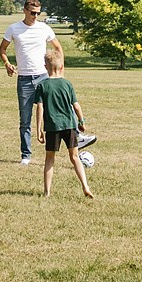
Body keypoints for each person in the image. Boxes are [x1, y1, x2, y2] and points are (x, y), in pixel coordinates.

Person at [0, 0, 58, 165]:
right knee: (25, 120)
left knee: (54, 113)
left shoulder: (44, 28)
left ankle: (71, 140)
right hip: (24, 79)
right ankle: (26, 156)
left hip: (43, 77)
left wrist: (58, 71)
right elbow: (2, 49)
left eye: (38, 13)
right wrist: (7, 64)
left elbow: (58, 48)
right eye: (32, 13)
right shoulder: (14, 29)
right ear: (24, 10)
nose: (35, 16)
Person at [33, 41, 93, 200]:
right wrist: (82, 121)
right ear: (61, 67)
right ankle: (85, 186)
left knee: (49, 159)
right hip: (69, 125)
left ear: (45, 67)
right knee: (75, 157)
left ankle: (47, 192)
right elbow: (76, 106)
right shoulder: (67, 84)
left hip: (52, 127)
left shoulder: (42, 86)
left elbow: (40, 108)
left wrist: (38, 129)